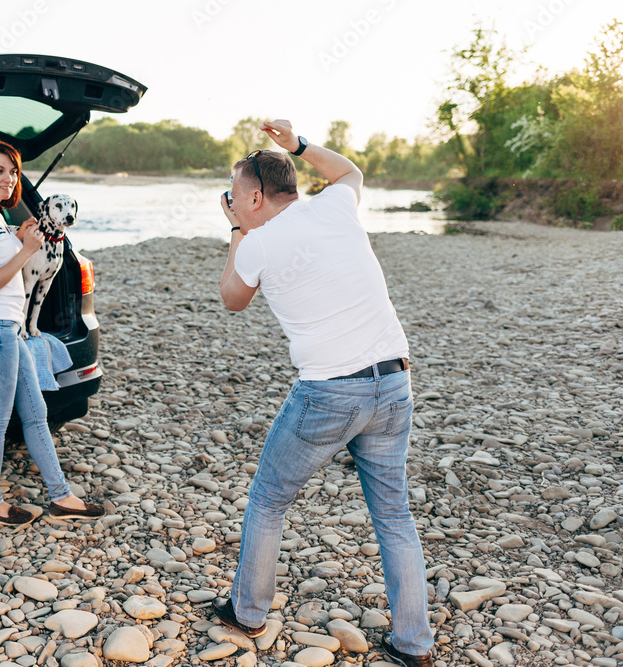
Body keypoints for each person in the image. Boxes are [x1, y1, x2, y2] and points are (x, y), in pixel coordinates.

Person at [210, 120, 434, 667]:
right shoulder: (334, 206)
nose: (232, 202)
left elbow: (232, 298)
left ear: (255, 198)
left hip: (330, 392)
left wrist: (236, 230)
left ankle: (248, 613)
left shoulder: (257, 243)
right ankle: (414, 644)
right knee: (394, 515)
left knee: (268, 499)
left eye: (235, 195)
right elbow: (350, 171)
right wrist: (299, 145)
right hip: (394, 381)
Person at [0, 138, 104, 526]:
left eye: (13, 171)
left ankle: (61, 497)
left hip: (9, 329)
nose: (8, 178)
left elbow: (4, 260)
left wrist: (18, 235)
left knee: (36, 412)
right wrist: (25, 249)